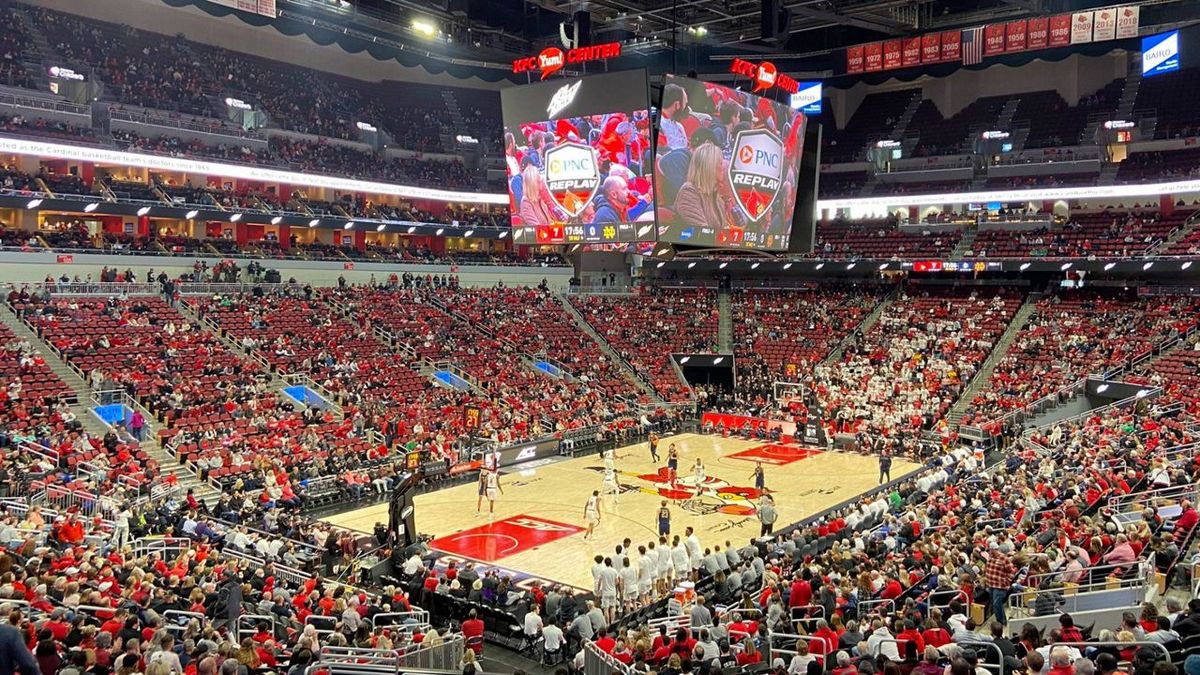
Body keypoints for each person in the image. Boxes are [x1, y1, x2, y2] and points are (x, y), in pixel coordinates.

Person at [673, 142, 727, 230]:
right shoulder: (689, 192)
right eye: (720, 163)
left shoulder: (714, 194)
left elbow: (724, 230)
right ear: (710, 167)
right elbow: (702, 233)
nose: (723, 168)